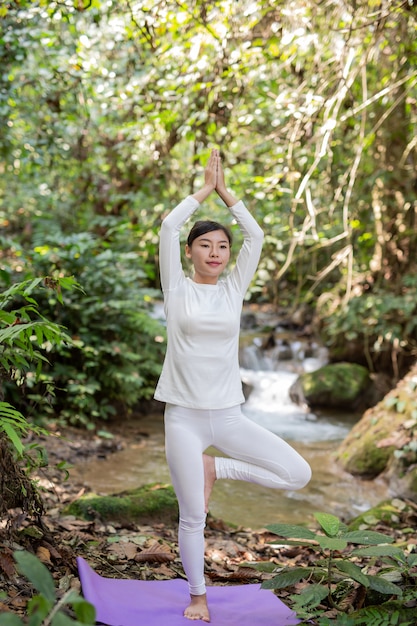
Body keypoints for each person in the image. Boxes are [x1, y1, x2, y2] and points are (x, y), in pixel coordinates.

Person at [154, 149, 311, 622]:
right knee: (192, 518)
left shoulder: (233, 289)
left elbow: (257, 235)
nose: (216, 253)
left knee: (297, 474)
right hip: (182, 416)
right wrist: (202, 191)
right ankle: (198, 596)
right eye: (206, 245)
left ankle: (217, 470)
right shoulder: (176, 287)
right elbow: (166, 228)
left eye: (222, 246)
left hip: (226, 415)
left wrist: (228, 196)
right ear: (190, 252)